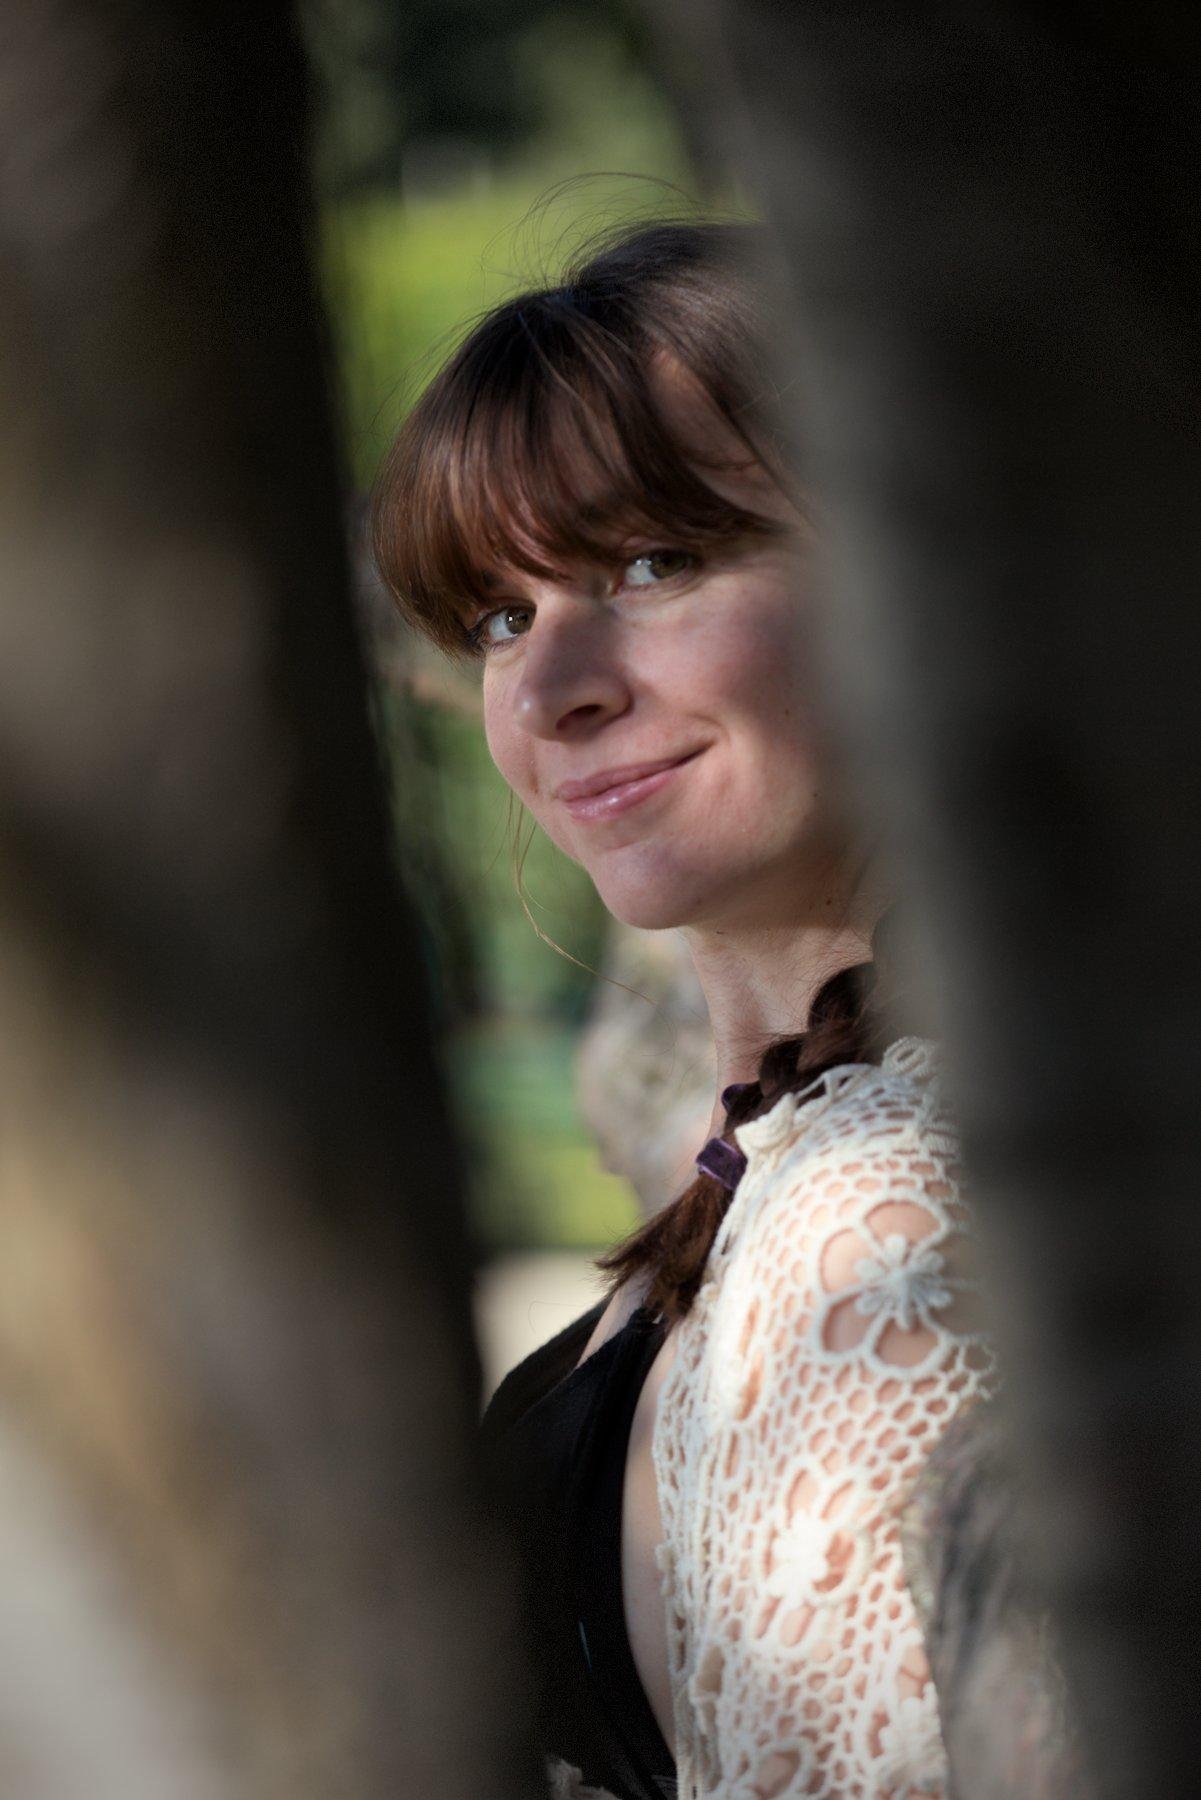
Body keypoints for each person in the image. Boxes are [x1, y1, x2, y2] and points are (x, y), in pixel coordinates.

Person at [372, 218, 997, 1800]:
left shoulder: (888, 1203)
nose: (548, 687)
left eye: (651, 565)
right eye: (498, 617)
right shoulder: (783, 1168)